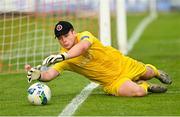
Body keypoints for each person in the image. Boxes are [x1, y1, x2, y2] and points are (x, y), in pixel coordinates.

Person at [25, 21, 172, 97]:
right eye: (60, 38)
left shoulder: (84, 36)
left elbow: (82, 47)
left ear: (73, 32)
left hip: (123, 64)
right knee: (139, 92)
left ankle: (156, 73)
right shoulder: (63, 58)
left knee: (148, 72)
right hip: (112, 82)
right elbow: (50, 75)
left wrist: (63, 56)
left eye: (66, 35)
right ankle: (146, 85)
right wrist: (39, 75)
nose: (63, 40)